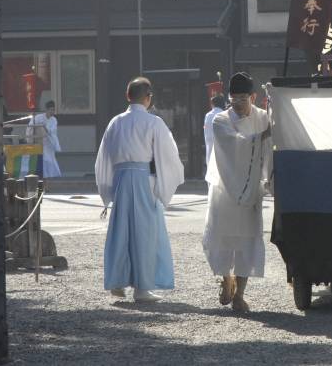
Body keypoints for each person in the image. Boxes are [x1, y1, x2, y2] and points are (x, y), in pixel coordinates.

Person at [95, 77, 185, 302]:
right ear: (149, 98)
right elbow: (168, 155)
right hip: (144, 179)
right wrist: (165, 183)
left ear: (128, 96)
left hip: (121, 179)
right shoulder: (153, 122)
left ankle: (117, 282)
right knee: (145, 233)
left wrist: (107, 190)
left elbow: (103, 158)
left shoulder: (115, 122)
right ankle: (142, 288)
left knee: (120, 231)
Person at [203, 72, 272, 312]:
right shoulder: (220, 120)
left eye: (243, 98)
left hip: (251, 190)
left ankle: (240, 293)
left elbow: (270, 151)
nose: (238, 103)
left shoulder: (263, 117)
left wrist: (269, 179)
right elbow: (235, 145)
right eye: (234, 99)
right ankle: (225, 280)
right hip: (224, 190)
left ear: (253, 96)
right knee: (223, 240)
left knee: (247, 241)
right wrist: (263, 136)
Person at [26, 100, 62, 178]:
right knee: (42, 161)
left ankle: (47, 181)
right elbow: (30, 127)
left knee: (48, 161)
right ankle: (42, 180)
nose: (52, 112)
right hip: (39, 142)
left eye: (53, 110)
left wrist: (44, 127)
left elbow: (52, 131)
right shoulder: (38, 117)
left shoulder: (54, 120)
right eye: (51, 110)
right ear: (46, 109)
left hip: (49, 143)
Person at [203, 94, 228, 167]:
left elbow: (206, 131)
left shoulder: (208, 115)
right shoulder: (224, 114)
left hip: (210, 143)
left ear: (213, 104)